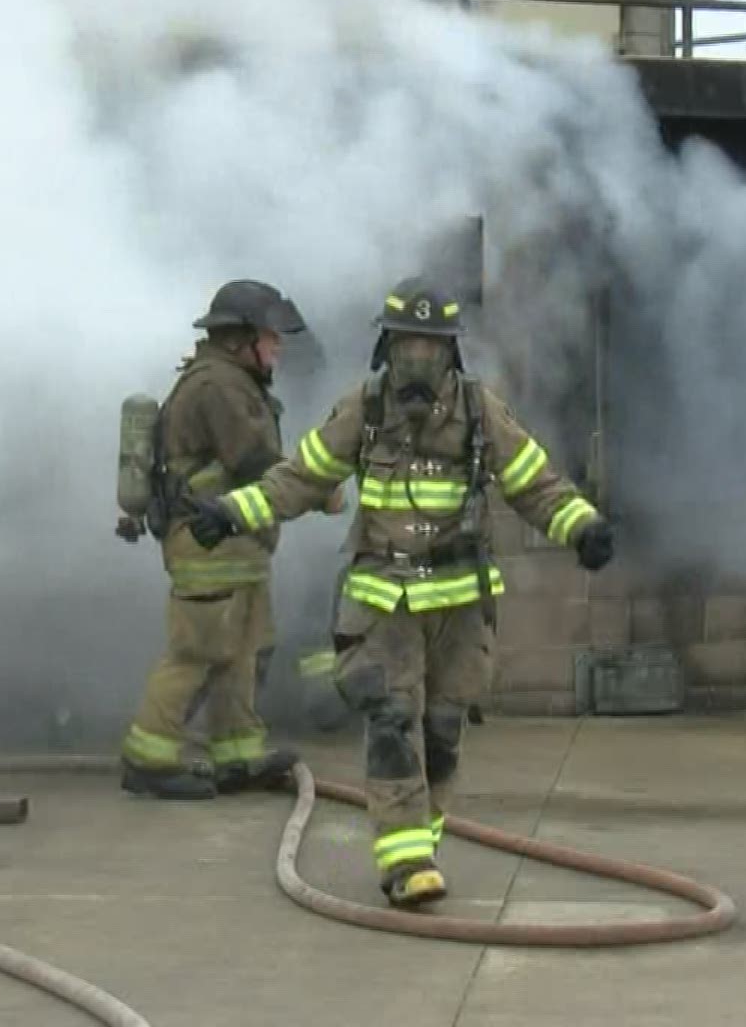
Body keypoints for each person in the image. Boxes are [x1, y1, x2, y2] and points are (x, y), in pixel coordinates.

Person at [186, 277, 614, 907]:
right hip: (384, 598)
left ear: (451, 354)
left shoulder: (478, 411)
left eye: (431, 349)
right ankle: (404, 858)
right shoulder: (365, 409)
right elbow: (301, 477)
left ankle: (421, 842)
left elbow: (533, 481)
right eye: (407, 348)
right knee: (391, 722)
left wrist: (582, 526)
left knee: (441, 731)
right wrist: (234, 511)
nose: (418, 362)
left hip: (460, 602)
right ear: (387, 349)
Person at [114, 279, 342, 801]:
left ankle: (237, 757)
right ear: (240, 339)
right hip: (206, 544)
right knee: (196, 652)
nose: (278, 347)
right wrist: (321, 490)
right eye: (270, 337)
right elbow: (255, 463)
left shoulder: (232, 380)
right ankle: (147, 760)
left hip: (238, 548)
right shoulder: (219, 386)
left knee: (243, 651)